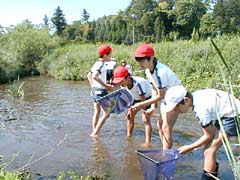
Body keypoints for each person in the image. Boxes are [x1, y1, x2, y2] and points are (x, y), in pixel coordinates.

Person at [163, 86, 240, 180]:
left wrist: (189, 147)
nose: (175, 111)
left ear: (186, 100)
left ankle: (207, 178)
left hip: (233, 116)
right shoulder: (196, 96)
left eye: (176, 107)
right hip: (226, 112)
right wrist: (198, 144)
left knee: (209, 151)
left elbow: (209, 135)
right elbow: (210, 133)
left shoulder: (200, 109)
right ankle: (212, 174)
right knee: (208, 146)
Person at [131, 43, 184, 149]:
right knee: (160, 125)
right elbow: (154, 88)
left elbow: (160, 95)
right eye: (137, 59)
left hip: (177, 97)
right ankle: (165, 149)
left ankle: (166, 154)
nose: (139, 62)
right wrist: (152, 107)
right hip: (167, 97)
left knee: (166, 127)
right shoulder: (148, 71)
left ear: (151, 58)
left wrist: (141, 104)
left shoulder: (160, 72)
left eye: (142, 59)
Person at [112, 66, 153, 147]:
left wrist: (143, 111)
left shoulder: (138, 83)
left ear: (127, 78)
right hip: (135, 97)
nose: (120, 83)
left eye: (121, 81)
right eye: (118, 82)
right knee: (129, 116)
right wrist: (130, 107)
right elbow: (128, 96)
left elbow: (143, 99)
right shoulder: (123, 84)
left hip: (147, 98)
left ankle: (148, 142)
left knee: (145, 119)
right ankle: (129, 136)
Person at [87, 44, 115, 136]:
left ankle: (95, 131)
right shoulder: (102, 65)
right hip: (101, 91)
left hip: (96, 90)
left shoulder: (96, 63)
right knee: (107, 112)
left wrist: (92, 87)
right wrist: (107, 86)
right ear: (105, 55)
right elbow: (94, 76)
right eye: (110, 55)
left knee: (97, 112)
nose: (111, 57)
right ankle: (95, 133)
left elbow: (89, 75)